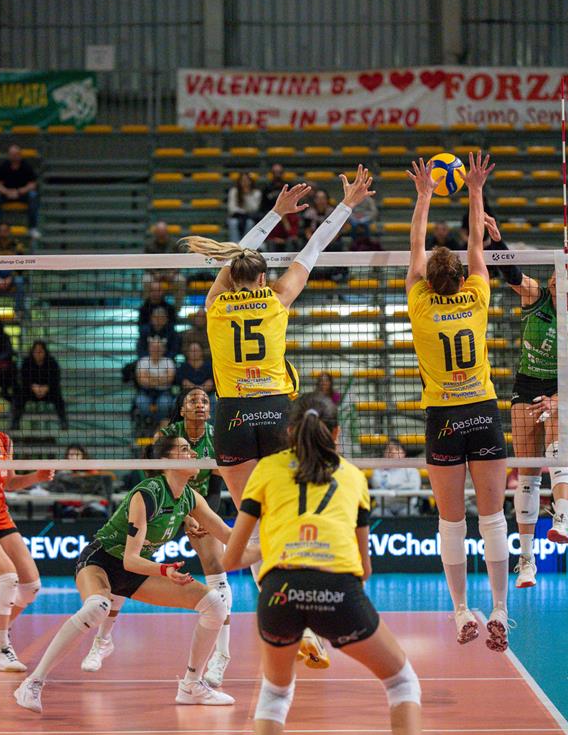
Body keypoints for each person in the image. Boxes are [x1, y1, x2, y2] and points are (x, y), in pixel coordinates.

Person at [221, 393, 463, 735]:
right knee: (401, 682)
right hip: (339, 591)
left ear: (288, 432)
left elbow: (231, 559)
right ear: (336, 433)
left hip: (280, 592)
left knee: (275, 695)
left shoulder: (266, 471)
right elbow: (365, 568)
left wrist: (279, 547)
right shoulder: (353, 476)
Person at [181, 167, 375, 669]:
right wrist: (346, 204)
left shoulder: (216, 305)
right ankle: (304, 614)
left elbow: (235, 262)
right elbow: (313, 249)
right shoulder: (276, 299)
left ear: (230, 277)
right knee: (282, 515)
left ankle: (280, 612)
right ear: (263, 279)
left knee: (252, 523)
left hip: (232, 416)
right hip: (274, 412)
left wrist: (271, 214)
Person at [14, 435, 260, 713]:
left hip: (136, 570)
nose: (193, 453)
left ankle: (191, 685)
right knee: (97, 607)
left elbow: (231, 538)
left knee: (214, 604)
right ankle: (32, 683)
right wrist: (164, 570)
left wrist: (272, 545)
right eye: (184, 449)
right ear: (166, 461)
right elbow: (130, 559)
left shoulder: (191, 498)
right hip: (102, 561)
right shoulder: (147, 494)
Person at [406, 153, 511, 651]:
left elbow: (415, 247)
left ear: (429, 282)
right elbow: (475, 245)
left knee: (452, 522)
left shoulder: (420, 304)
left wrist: (425, 195)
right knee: (493, 519)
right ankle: (500, 610)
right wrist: (474, 190)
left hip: (444, 418)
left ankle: (460, 611)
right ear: (462, 280)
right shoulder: (477, 298)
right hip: (482, 412)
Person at [80, 388, 233, 689]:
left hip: (199, 504)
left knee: (217, 567)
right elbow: (152, 474)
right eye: (193, 400)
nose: (200, 404)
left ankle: (221, 656)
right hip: (164, 503)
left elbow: (215, 486)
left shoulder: (216, 439)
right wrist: (180, 514)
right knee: (126, 564)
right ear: (182, 409)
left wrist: (201, 517)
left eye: (205, 401)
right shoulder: (168, 435)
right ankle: (102, 640)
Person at [495, 222, 568, 589]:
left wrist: (558, 399)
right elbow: (511, 273)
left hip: (564, 387)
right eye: (557, 270)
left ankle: (562, 520)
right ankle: (526, 562)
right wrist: (497, 240)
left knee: (558, 450)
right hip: (527, 385)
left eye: (567, 273)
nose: (557, 276)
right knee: (527, 472)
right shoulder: (536, 297)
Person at [0, 389, 53, 672]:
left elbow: (9, 483)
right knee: (7, 577)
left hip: (0, 516)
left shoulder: (4, 441)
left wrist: (36, 477)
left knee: (31, 587)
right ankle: (0, 650)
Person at [11, 340, 68, 430]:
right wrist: (33, 387)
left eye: (41, 351)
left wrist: (47, 387)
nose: (38, 354)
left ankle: (63, 422)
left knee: (58, 398)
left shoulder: (52, 362)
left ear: (45, 352)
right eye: (36, 351)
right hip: (31, 391)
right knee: (19, 397)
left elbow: (56, 378)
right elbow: (23, 378)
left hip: (48, 392)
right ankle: (15, 423)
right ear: (32, 352)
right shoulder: (27, 362)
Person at [0, 144, 39, 237]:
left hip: (22, 193)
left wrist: (19, 191)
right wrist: (6, 192)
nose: (14, 156)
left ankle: (32, 228)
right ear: (9, 155)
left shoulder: (26, 166)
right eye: (12, 154)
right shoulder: (3, 166)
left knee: (33, 196)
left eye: (16, 154)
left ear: (20, 155)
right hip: (6, 194)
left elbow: (32, 184)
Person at [370, 441, 423, 517]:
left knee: (410, 514)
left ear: (403, 453)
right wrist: (403, 488)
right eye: (389, 449)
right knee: (376, 514)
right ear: (384, 453)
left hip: (407, 506)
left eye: (397, 449)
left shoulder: (412, 470)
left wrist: (389, 487)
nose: (393, 452)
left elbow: (413, 488)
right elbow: (379, 488)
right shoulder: (378, 471)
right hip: (384, 508)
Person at [134, 337, 176, 425]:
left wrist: (149, 376)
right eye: (153, 347)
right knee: (141, 402)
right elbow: (141, 380)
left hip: (164, 392)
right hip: (146, 392)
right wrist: (161, 378)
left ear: (163, 349)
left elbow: (169, 379)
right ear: (149, 349)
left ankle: (159, 423)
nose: (156, 350)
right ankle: (151, 421)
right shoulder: (143, 361)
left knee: (164, 404)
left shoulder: (168, 361)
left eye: (158, 348)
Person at [227, 173, 262, 242]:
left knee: (250, 223)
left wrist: (247, 194)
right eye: (242, 180)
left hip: (250, 217)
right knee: (233, 222)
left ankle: (246, 244)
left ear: (251, 182)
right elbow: (231, 208)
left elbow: (254, 208)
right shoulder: (234, 191)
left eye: (247, 180)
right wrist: (244, 212)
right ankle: (235, 245)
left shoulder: (256, 193)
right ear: (239, 182)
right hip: (236, 216)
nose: (245, 183)